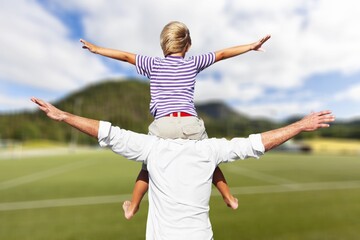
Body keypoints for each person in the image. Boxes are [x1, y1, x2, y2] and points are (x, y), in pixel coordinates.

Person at [31, 97, 335, 240]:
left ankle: (132, 206)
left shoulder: (152, 147)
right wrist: (300, 124)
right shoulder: (208, 149)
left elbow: (108, 133)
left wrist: (64, 116)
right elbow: (256, 144)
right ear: (198, 127)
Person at [80, 21, 271, 219]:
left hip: (163, 125)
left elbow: (126, 56)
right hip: (190, 124)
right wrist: (250, 46)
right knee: (210, 160)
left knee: (147, 166)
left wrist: (97, 49)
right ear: (187, 46)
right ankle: (229, 197)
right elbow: (222, 54)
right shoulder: (193, 62)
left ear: (164, 45)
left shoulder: (153, 64)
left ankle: (133, 206)